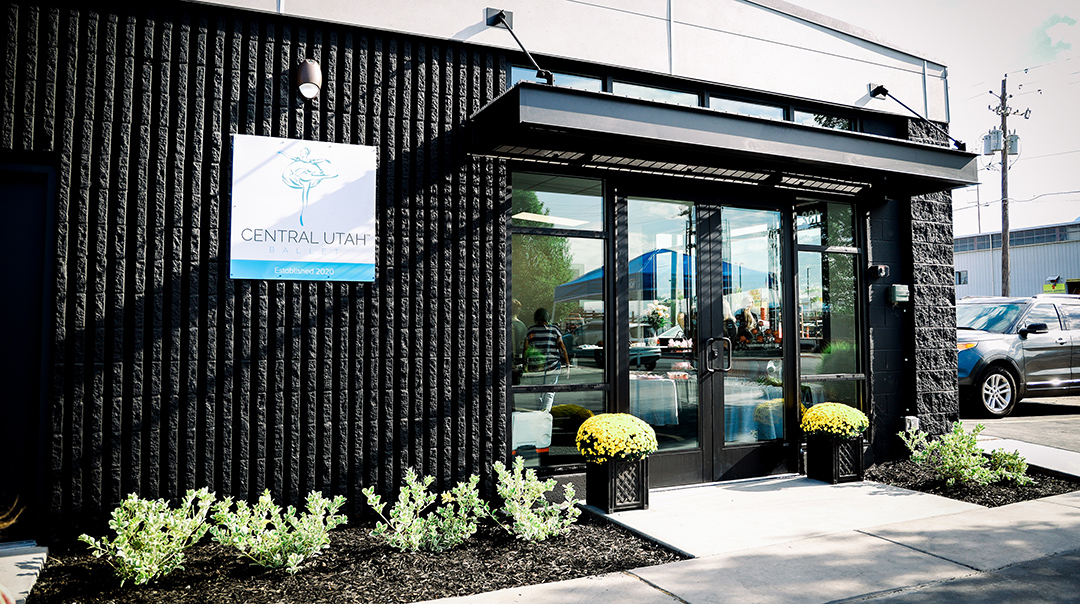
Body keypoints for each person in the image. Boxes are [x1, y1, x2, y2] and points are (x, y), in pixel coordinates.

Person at [523, 308, 570, 411]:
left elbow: (526, 349)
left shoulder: (531, 330)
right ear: (547, 317)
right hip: (552, 366)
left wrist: (525, 364)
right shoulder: (554, 330)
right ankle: (545, 414)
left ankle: (538, 412)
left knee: (537, 391)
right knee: (549, 392)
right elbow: (562, 348)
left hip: (536, 367)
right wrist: (567, 363)